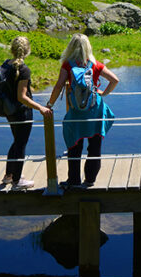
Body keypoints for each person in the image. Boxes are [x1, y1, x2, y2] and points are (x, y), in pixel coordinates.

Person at [48, 33, 119, 190]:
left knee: (74, 145)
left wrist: (49, 104)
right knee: (95, 146)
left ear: (71, 47)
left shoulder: (68, 64)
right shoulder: (95, 64)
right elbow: (115, 80)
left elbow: (59, 86)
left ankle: (73, 180)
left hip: (76, 112)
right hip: (95, 110)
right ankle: (90, 180)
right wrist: (103, 93)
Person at [1, 36, 52, 190]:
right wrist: (41, 108)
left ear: (12, 49)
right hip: (22, 112)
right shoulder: (23, 69)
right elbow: (22, 97)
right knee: (21, 144)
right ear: (27, 50)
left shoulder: (5, 65)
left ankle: (8, 175)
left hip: (9, 111)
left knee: (16, 141)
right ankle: (17, 181)